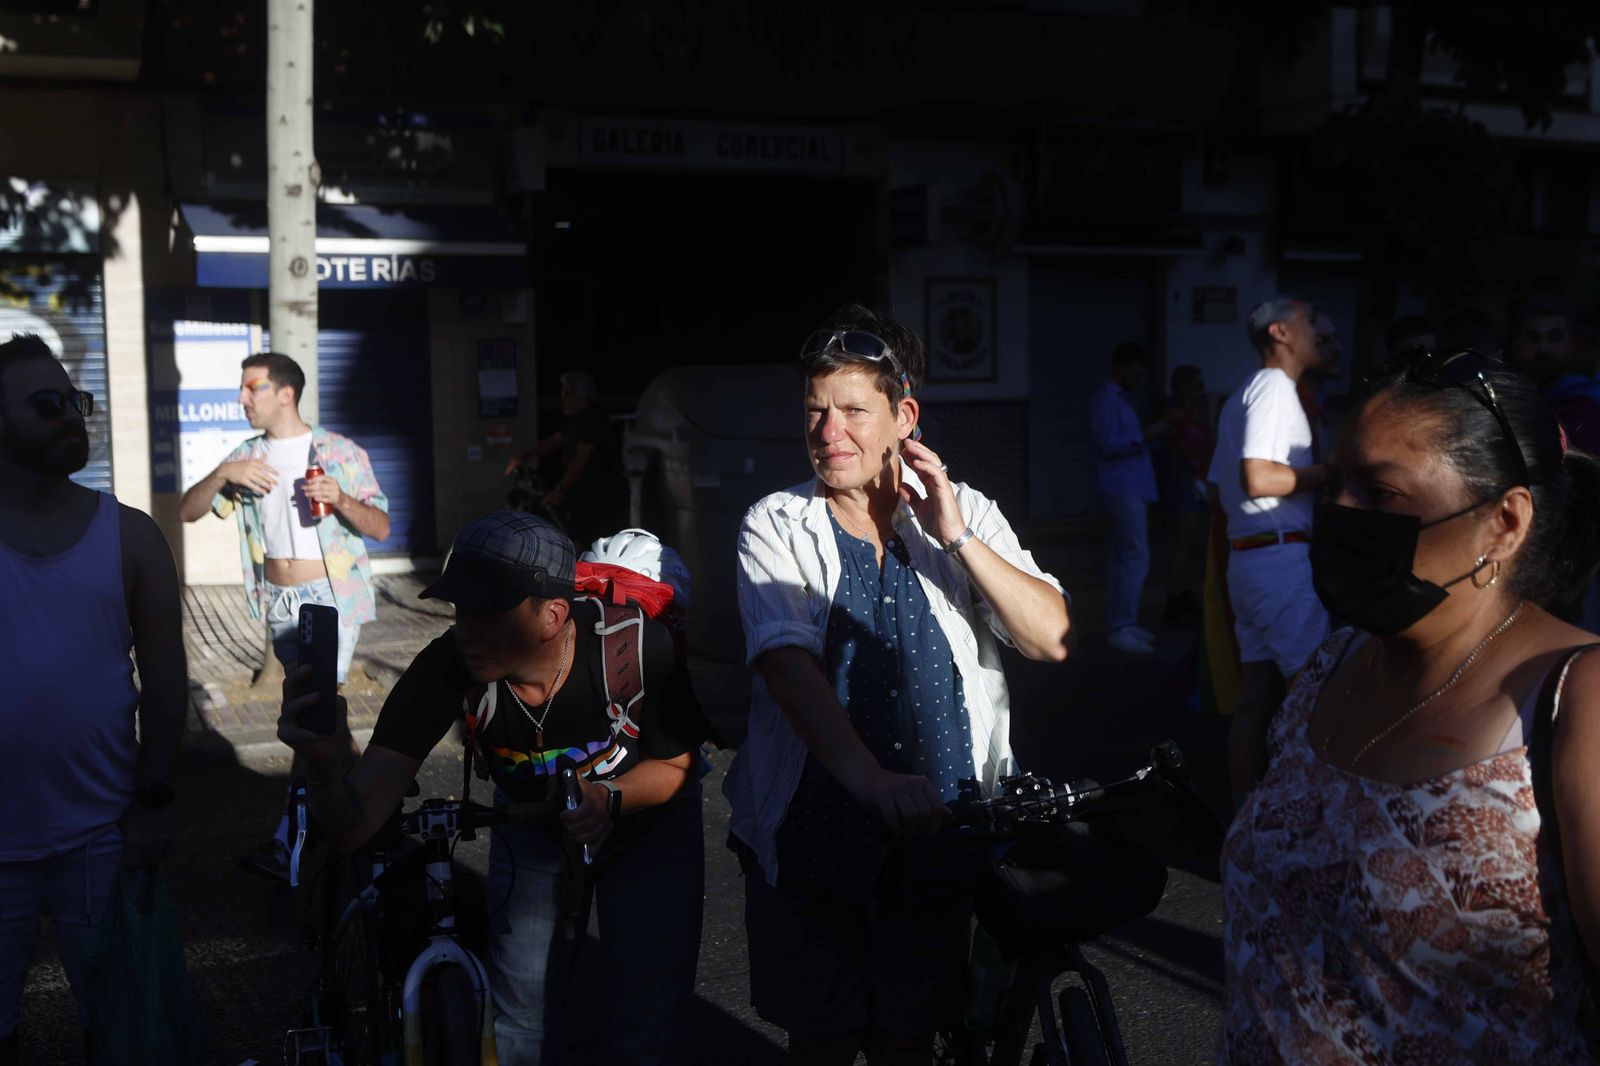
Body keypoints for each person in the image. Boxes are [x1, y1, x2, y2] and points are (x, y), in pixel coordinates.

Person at [1220, 348, 1600, 1062]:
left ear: (1505, 523)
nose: (1339, 512)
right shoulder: (1330, 668)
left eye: (1379, 492)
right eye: (1334, 484)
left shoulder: (1577, 696)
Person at [727, 305, 1072, 1065]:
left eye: (853, 410)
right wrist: (870, 779)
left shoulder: (965, 511)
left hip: (941, 833)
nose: (828, 432)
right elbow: (785, 662)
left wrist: (957, 537)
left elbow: (1050, 636)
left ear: (903, 416)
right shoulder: (776, 523)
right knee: (822, 1038)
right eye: (815, 412)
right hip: (815, 827)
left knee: (910, 1037)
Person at [277, 510, 706, 1065]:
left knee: (646, 1018)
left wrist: (611, 797)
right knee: (517, 1015)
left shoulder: (635, 649)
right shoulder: (448, 666)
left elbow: (676, 768)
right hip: (531, 822)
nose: (465, 630)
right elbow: (353, 825)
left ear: (553, 614)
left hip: (649, 822)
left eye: (487, 612)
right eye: (460, 610)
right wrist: (322, 765)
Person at [0, 335, 187, 1063]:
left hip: (100, 836)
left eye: (76, 401)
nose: (72, 417)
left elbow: (166, 680)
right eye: (48, 405)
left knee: (122, 1028)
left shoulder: (131, 535)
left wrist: (154, 800)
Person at [178, 351, 390, 880]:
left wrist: (339, 497)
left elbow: (381, 527)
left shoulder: (339, 452)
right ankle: (373, 803)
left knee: (309, 716)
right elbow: (188, 509)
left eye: (252, 388)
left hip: (328, 595)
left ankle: (294, 837)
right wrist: (225, 472)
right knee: (317, 717)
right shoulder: (247, 457)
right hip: (278, 600)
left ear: (285, 393)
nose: (242, 398)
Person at [1207, 296, 1330, 801]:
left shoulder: (1243, 393)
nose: (1318, 330)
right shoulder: (1275, 387)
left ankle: (1246, 816)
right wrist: (1328, 474)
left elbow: (1219, 487)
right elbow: (1257, 477)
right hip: (1279, 556)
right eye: (1309, 321)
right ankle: (1305, 810)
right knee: (1310, 691)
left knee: (1256, 700)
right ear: (1280, 332)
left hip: (1249, 557)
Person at [1090, 342, 1166, 653]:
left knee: (1127, 558)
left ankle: (1125, 623)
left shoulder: (1119, 401)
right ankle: (1121, 626)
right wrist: (1150, 435)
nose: (1140, 378)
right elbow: (1110, 444)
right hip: (1123, 490)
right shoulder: (1108, 401)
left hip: (1130, 488)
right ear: (1120, 368)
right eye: (1135, 371)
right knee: (1133, 558)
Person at [504, 370, 629, 548]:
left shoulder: (591, 420)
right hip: (584, 498)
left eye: (567, 393)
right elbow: (554, 441)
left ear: (581, 396)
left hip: (600, 500)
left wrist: (559, 490)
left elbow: (581, 458)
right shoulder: (575, 421)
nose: (562, 398)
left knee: (589, 545)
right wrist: (523, 457)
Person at [1163, 364, 1215, 619]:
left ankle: (1186, 592)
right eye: (1196, 385)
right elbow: (1181, 447)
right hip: (1185, 481)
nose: (1200, 390)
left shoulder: (1199, 411)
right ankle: (1174, 598)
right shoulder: (1175, 413)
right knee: (1182, 543)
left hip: (1201, 480)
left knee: (1196, 543)